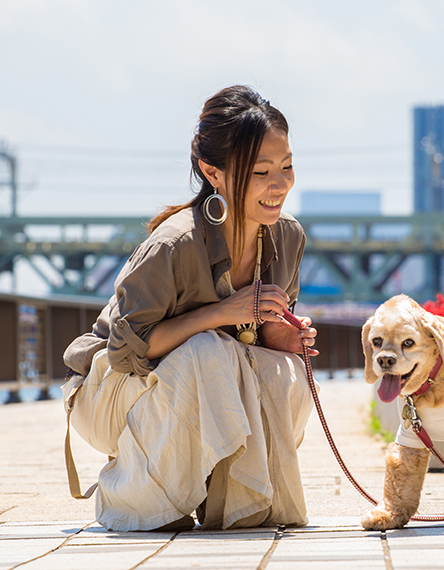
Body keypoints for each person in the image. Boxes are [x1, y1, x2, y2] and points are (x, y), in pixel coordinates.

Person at [62, 85, 318, 532]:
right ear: (212, 173)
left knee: (283, 371)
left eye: (287, 166)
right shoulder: (174, 243)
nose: (279, 184)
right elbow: (127, 354)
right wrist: (221, 314)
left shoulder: (287, 237)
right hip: (111, 391)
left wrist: (285, 337)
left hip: (189, 380)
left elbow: (258, 343)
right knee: (206, 351)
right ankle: (142, 500)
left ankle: (234, 503)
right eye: (260, 172)